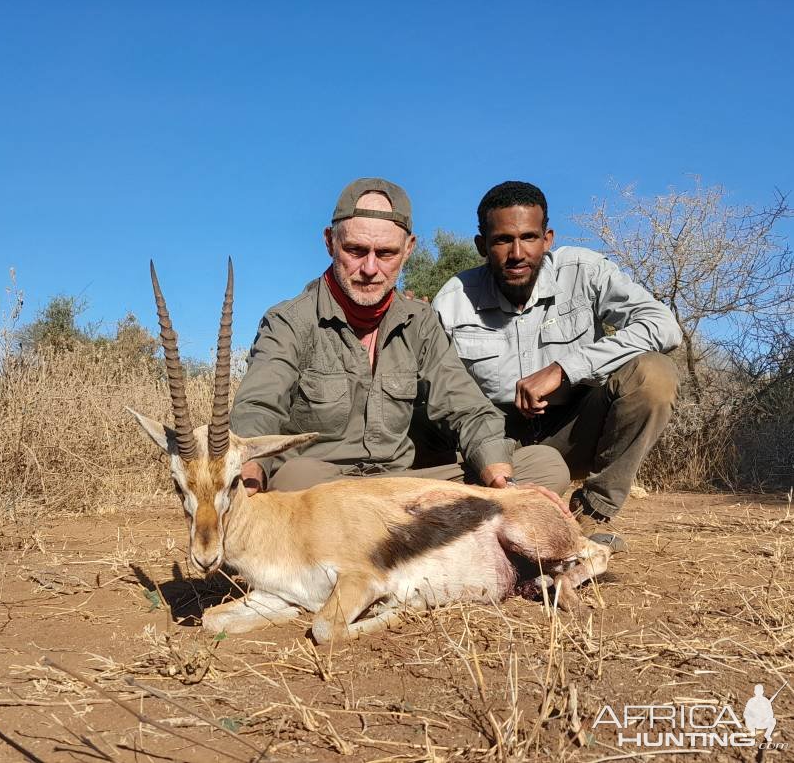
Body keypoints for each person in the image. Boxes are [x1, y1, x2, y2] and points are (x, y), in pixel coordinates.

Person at [231, 177, 569, 499]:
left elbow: (466, 406)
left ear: (408, 249)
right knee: (293, 479)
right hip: (322, 492)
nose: (369, 268)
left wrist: (500, 481)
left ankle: (389, 536)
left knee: (545, 466)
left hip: (400, 488)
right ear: (329, 243)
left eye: (386, 253)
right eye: (355, 250)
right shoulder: (288, 321)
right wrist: (248, 472)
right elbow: (259, 406)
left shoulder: (421, 322)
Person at [432, 180, 681, 538]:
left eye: (529, 237)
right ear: (481, 245)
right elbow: (441, 394)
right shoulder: (453, 300)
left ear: (547, 239)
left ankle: (593, 512)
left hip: (575, 429)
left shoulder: (585, 270)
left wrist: (565, 369)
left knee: (654, 375)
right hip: (498, 442)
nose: (517, 252)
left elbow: (664, 326)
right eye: (502, 240)